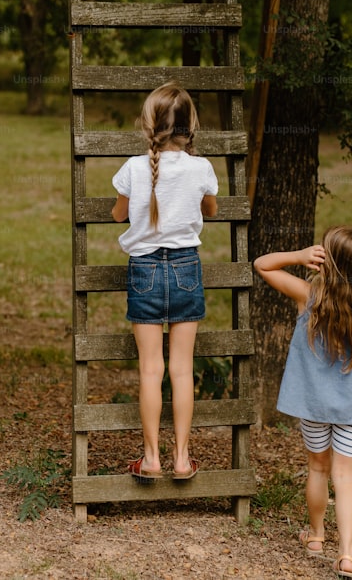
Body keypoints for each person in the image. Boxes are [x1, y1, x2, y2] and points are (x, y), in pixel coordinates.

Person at [253, 226, 352, 578]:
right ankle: (347, 554)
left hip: (314, 404)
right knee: (344, 477)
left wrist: (298, 256)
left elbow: (262, 265)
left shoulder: (308, 296)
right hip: (350, 405)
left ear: (327, 262)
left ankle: (316, 535)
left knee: (318, 468)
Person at [111, 82, 218, 482]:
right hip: (187, 269)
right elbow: (210, 206)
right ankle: (183, 459)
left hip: (144, 271)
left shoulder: (135, 168)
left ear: (149, 125)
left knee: (150, 370)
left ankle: (152, 457)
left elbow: (119, 215)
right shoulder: (201, 168)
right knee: (182, 370)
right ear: (190, 127)